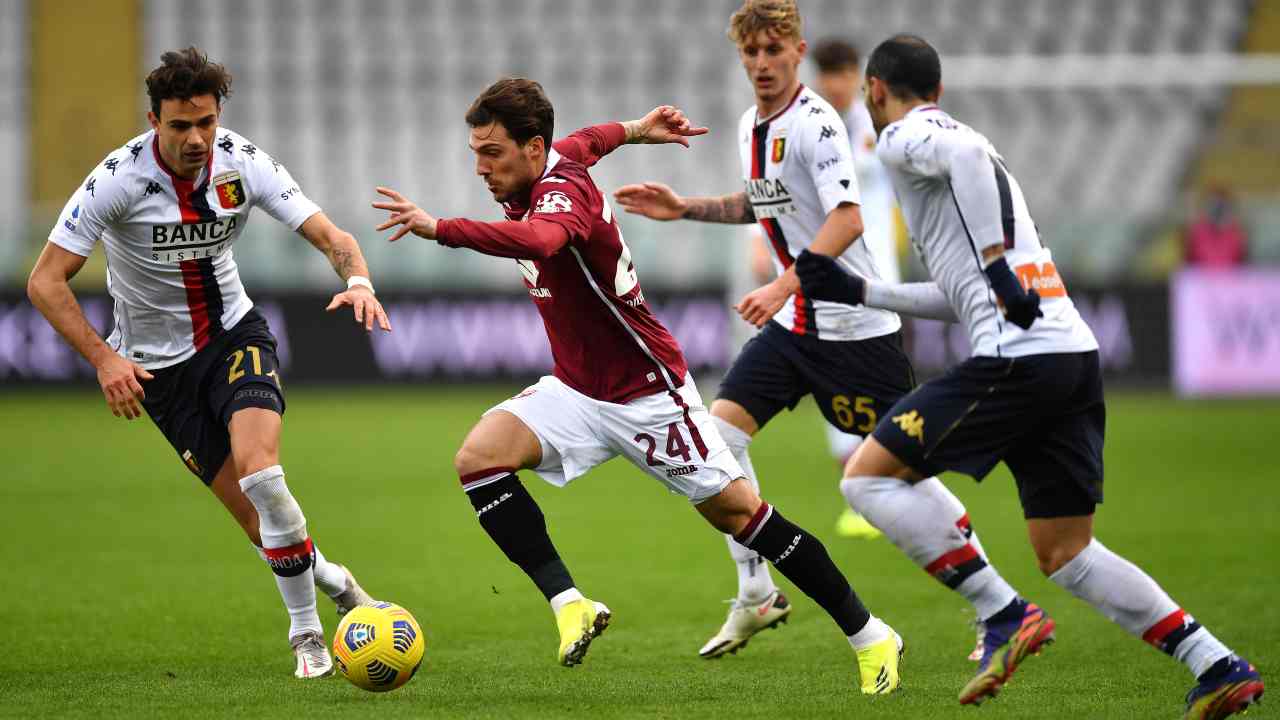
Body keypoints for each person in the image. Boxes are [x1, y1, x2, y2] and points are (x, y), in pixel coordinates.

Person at [373, 77, 904, 694]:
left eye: (491, 153)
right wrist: (637, 128)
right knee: (479, 460)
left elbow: (544, 240)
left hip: (648, 394)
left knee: (740, 516)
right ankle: (570, 603)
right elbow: (589, 139)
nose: (481, 167)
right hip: (577, 391)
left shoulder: (560, 193)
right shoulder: (558, 155)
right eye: (475, 152)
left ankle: (871, 636)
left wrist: (442, 228)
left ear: (532, 148)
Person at [795, 34, 1264, 717]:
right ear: (940, 89)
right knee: (1067, 552)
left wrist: (990, 262)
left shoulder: (903, 137)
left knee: (865, 476)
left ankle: (1002, 613)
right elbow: (957, 295)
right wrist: (860, 291)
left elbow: (965, 168)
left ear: (873, 91)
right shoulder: (964, 155)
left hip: (1019, 359)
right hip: (1070, 355)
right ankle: (1215, 663)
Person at [614, 0, 1016, 665]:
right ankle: (755, 591)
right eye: (752, 53)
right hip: (796, 328)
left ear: (797, 52)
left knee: (899, 479)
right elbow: (764, 203)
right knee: (718, 441)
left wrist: (779, 283)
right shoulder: (751, 123)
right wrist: (687, 208)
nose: (763, 64)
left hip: (856, 334)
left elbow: (848, 219)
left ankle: (997, 604)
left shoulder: (818, 123)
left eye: (775, 51)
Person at [26, 47, 389, 679]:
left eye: (207, 123)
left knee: (263, 475)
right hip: (155, 373)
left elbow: (335, 239)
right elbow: (45, 281)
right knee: (260, 525)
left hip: (232, 337)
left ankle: (306, 637)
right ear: (153, 121)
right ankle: (334, 582)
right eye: (180, 126)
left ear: (219, 116)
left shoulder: (243, 164)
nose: (196, 139)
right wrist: (105, 358)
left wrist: (359, 282)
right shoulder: (117, 179)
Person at [811, 37, 901, 541]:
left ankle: (889, 490)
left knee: (881, 383)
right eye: (827, 73)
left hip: (878, 279)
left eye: (843, 73)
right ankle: (857, 495)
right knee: (834, 384)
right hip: (827, 276)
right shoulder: (811, 123)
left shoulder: (878, 125)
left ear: (858, 77)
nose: (834, 84)